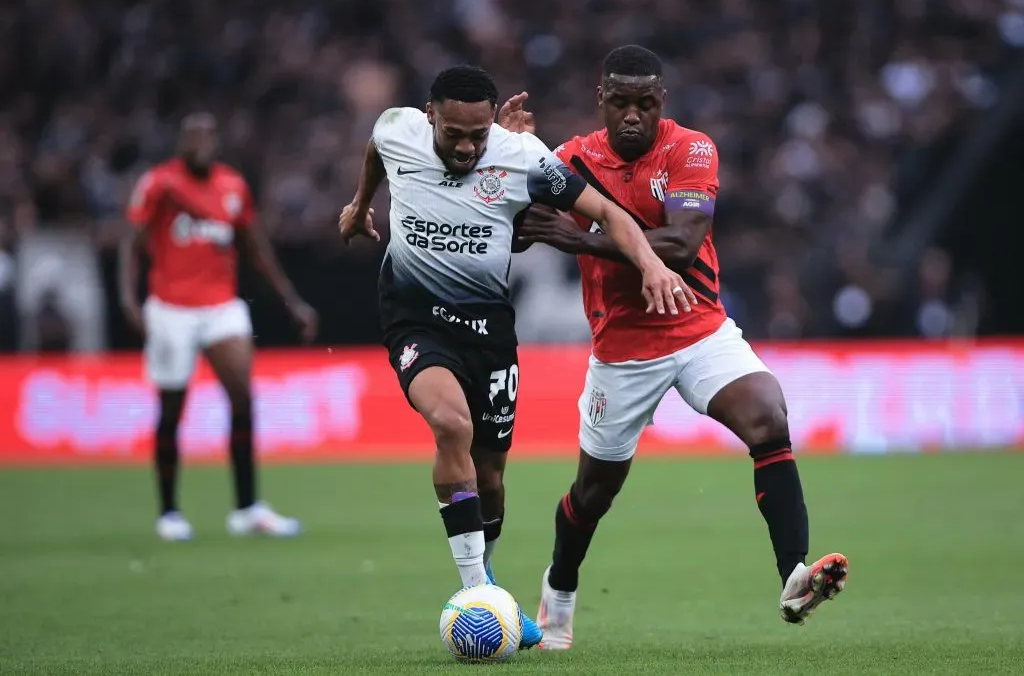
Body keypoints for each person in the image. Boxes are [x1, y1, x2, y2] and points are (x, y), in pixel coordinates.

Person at [338, 65, 693, 649]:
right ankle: (479, 592)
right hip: (415, 318)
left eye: (479, 135)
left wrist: (652, 264)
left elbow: (608, 213)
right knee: (451, 424)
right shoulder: (397, 128)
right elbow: (377, 149)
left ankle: (489, 584)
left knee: (492, 480)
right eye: (455, 133)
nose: (468, 146)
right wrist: (358, 206)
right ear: (430, 116)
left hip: (490, 331)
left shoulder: (522, 156)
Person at [507, 46, 849, 649]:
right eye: (621, 103)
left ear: (661, 102)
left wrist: (581, 238)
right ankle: (559, 586)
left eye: (645, 103)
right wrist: (510, 158)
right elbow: (521, 227)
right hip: (622, 351)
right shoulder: (570, 159)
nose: (633, 115)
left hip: (698, 327)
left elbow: (682, 245)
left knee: (768, 415)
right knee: (594, 493)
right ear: (601, 102)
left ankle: (793, 574)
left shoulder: (690, 149)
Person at [121, 112, 318, 542]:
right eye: (193, 135)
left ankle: (247, 508)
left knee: (243, 399)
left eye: (208, 135)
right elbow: (132, 243)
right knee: (172, 408)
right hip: (171, 308)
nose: (201, 143)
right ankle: (169, 511)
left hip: (221, 306)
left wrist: (291, 301)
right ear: (181, 141)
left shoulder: (232, 186)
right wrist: (128, 299)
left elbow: (255, 247)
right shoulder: (160, 184)